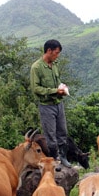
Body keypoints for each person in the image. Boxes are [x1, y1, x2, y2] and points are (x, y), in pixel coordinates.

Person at [30, 39, 72, 167]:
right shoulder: (36, 67)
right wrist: (55, 91)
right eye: (56, 53)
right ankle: (54, 160)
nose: (57, 55)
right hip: (46, 106)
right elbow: (35, 88)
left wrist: (62, 88)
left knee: (62, 132)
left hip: (59, 104)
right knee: (50, 136)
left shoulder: (54, 65)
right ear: (49, 51)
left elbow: (57, 81)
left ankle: (63, 158)